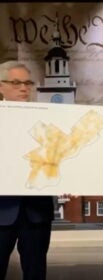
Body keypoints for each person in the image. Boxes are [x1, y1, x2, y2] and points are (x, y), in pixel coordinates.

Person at [0, 61, 54, 280]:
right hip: (1, 210)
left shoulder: (46, 120)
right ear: (1, 86)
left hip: (36, 211)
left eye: (27, 83)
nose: (24, 88)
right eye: (16, 83)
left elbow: (57, 158)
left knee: (36, 273)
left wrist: (70, 181)